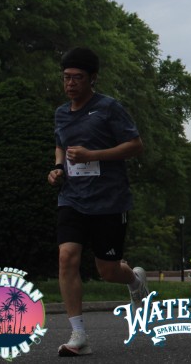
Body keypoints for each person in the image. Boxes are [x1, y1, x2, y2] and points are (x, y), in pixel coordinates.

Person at [47, 48, 149, 357]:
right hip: (73, 197)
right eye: (66, 78)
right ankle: (79, 335)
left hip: (109, 200)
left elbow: (136, 145)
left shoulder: (108, 108)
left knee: (108, 271)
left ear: (93, 78)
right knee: (67, 257)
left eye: (77, 78)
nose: (70, 84)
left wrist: (93, 155)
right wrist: (57, 168)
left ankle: (134, 279)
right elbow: (60, 145)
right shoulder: (61, 113)